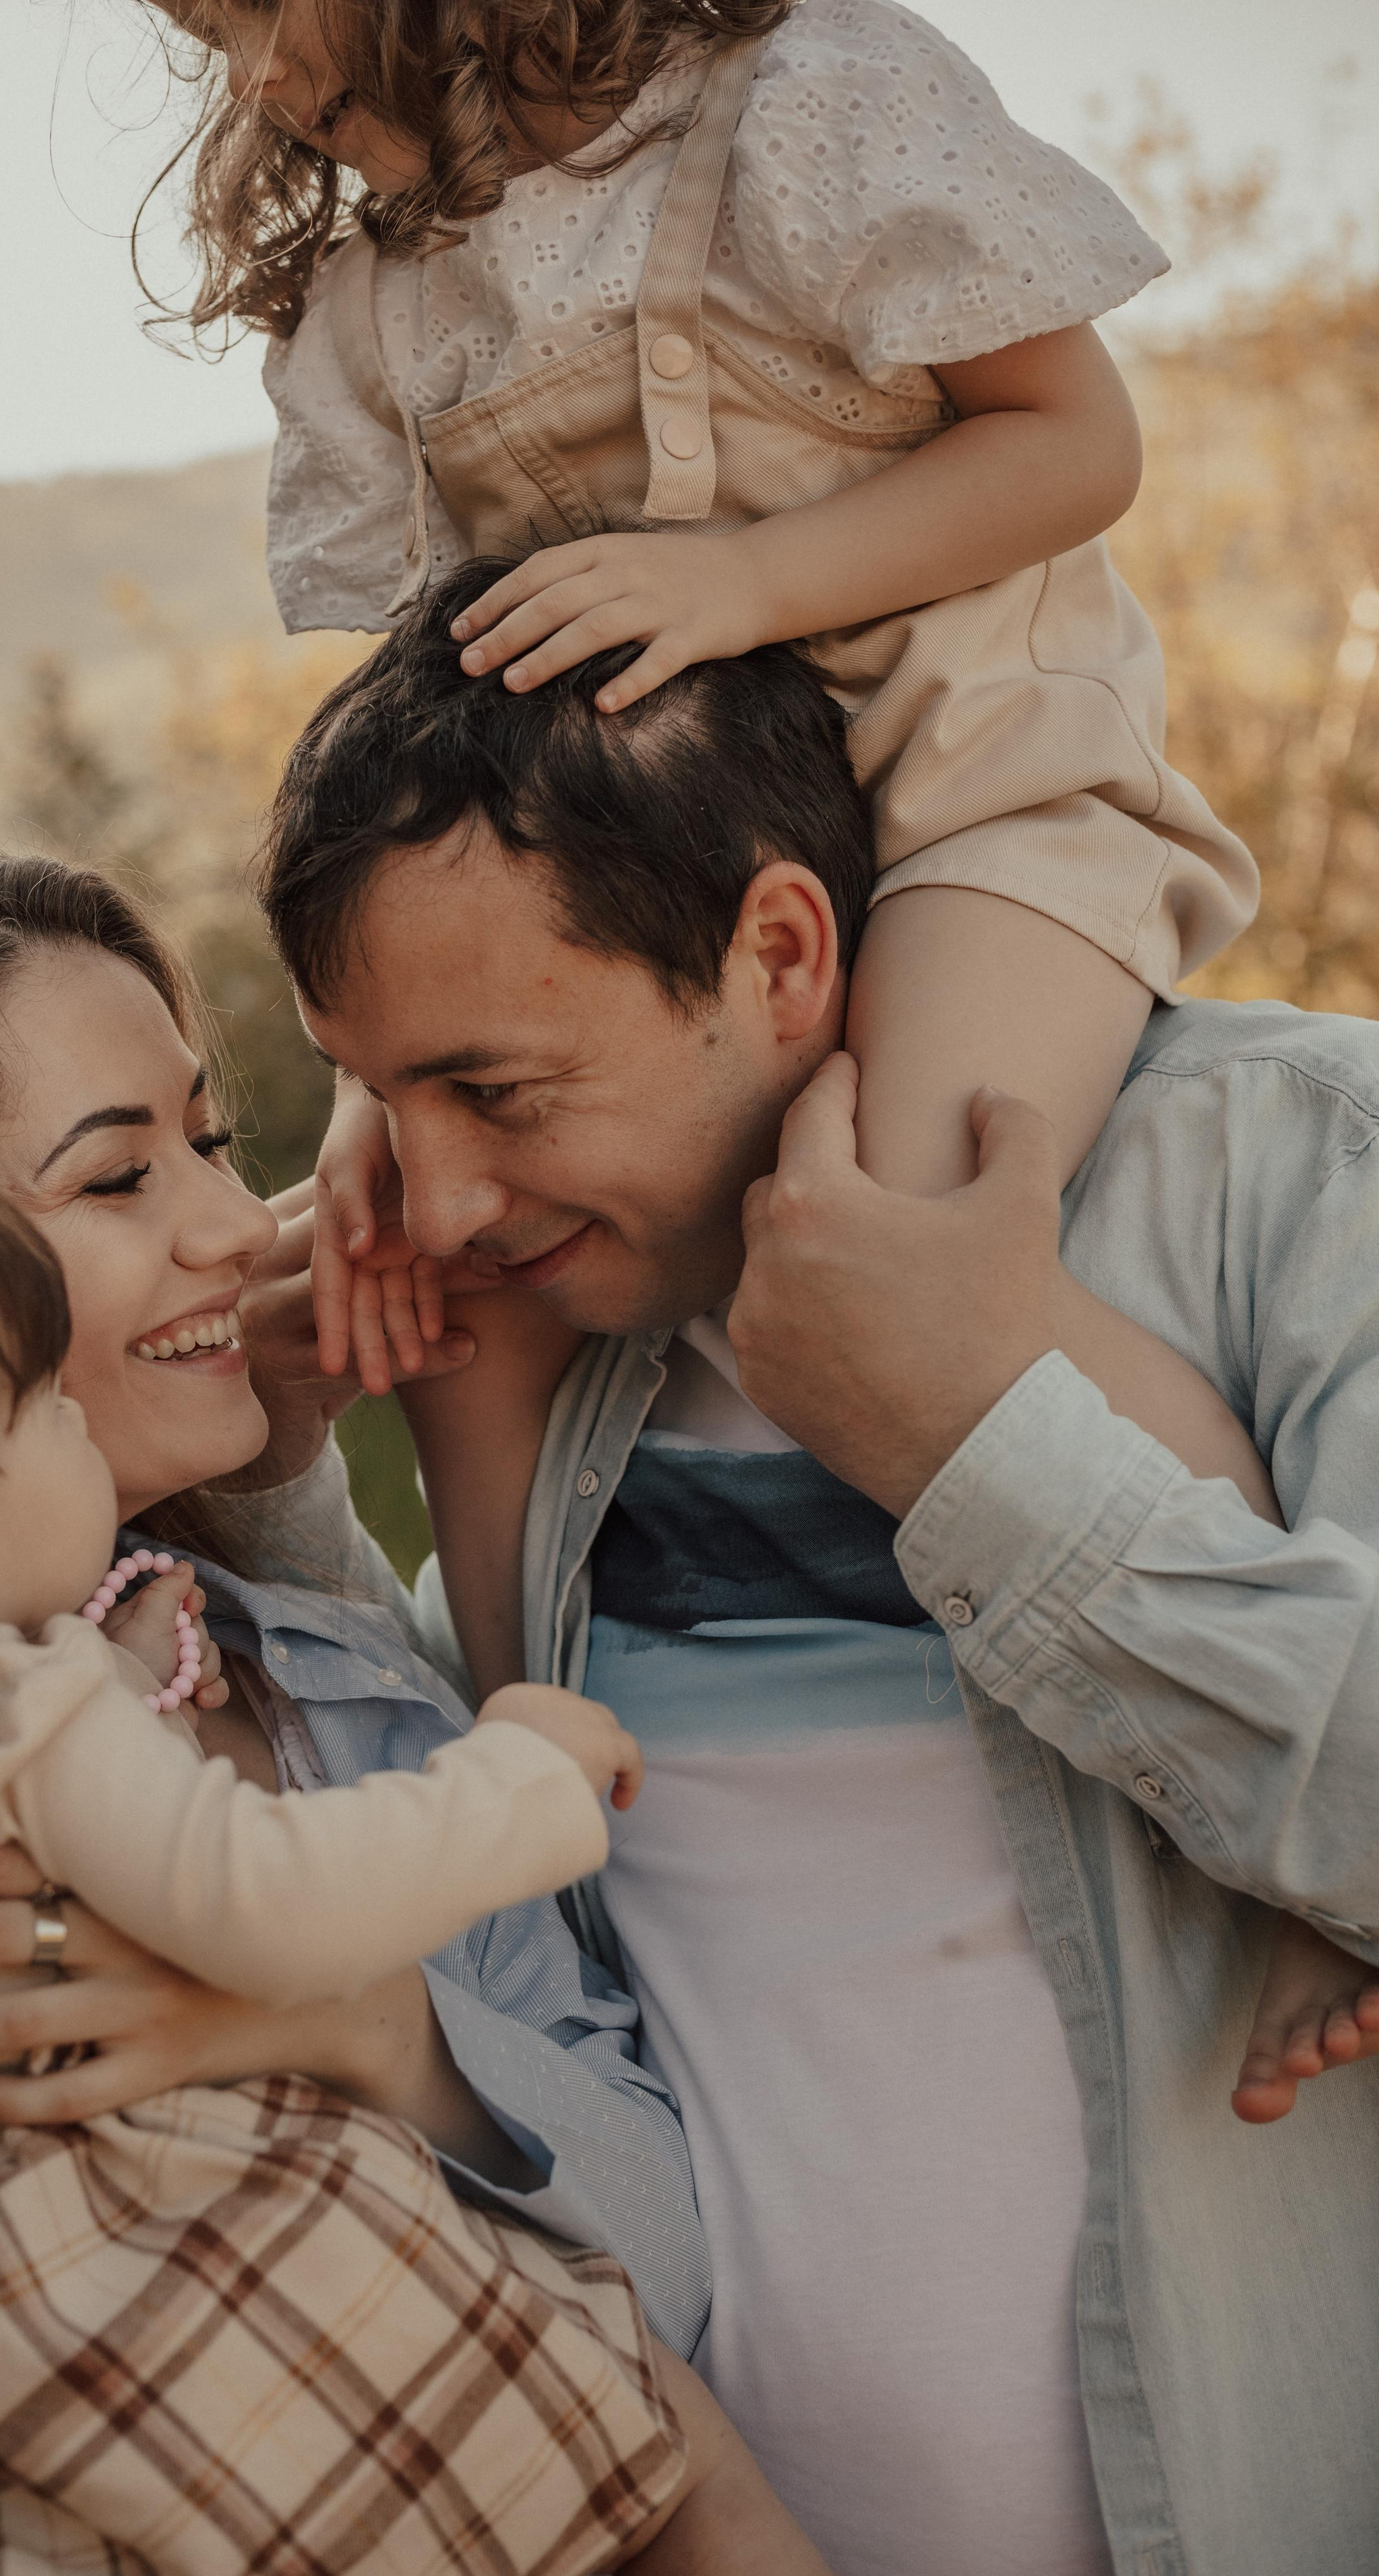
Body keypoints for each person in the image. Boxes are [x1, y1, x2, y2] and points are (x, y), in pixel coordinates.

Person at [256, 590, 1379, 2576]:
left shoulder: (1297, 1168)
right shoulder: (573, 1353)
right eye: (382, 1099)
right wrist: (262, 1459)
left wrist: (968, 1434)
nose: (432, 1200)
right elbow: (493, 1925)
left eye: (497, 1091)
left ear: (779, 949)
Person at [0, 848, 810, 2576]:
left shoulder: (327, 1687)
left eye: (208, 1142)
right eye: (118, 1176)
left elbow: (676, 2261)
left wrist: (370, 2029)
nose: (224, 1225)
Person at [140, 0, 1271, 1541]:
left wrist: (751, 580)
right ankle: (521, 1725)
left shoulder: (805, 113)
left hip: (976, 794)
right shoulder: (391, 292)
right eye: (211, 40)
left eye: (258, 8)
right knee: (431, 1281)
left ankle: (1244, 1599)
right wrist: (395, 1085)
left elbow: (1076, 445)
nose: (256, 77)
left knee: (889, 1237)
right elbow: (450, 735)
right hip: (631, 897)